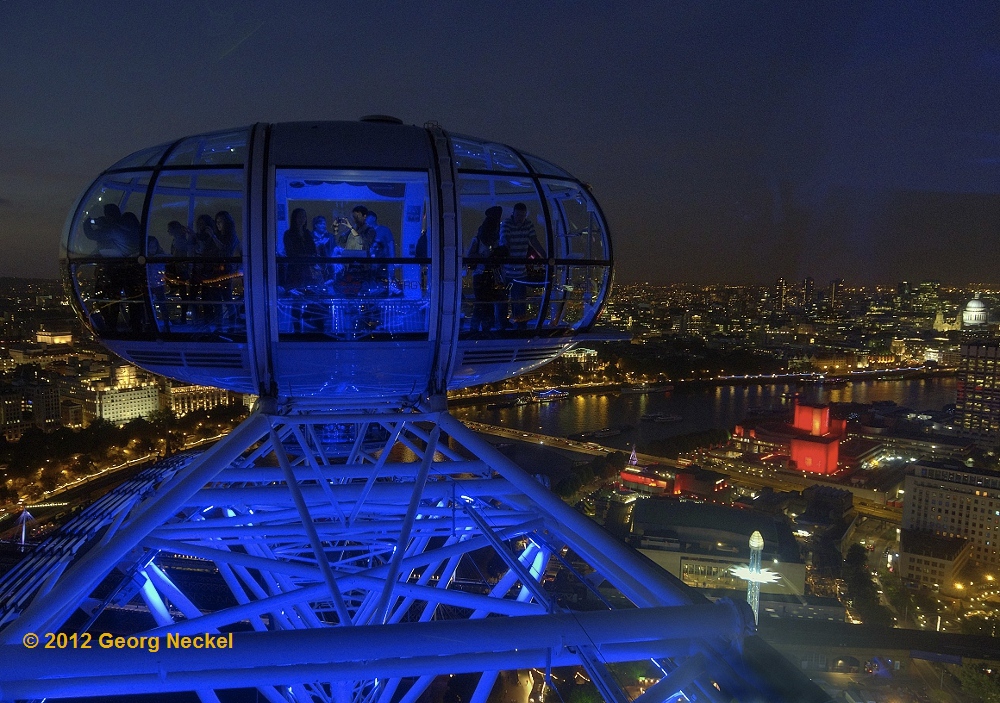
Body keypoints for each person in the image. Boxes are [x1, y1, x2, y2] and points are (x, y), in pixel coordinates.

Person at [498, 202, 546, 329]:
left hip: (519, 272)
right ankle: (503, 326)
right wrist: (507, 252)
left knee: (519, 302)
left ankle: (519, 327)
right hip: (507, 272)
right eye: (519, 215)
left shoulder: (528, 224)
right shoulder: (506, 224)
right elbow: (504, 240)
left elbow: (534, 240)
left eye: (523, 216)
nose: (520, 218)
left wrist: (544, 256)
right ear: (513, 213)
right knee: (504, 301)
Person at [466, 206, 504, 332]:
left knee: (483, 303)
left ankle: (476, 329)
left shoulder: (485, 239)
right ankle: (481, 329)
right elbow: (470, 256)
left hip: (483, 275)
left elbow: (470, 256)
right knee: (484, 303)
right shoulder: (489, 240)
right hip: (485, 275)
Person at [282, 208, 318, 331]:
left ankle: (308, 326)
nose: (302, 219)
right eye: (299, 216)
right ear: (294, 218)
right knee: (296, 301)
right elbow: (291, 253)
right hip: (295, 272)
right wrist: (306, 256)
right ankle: (297, 330)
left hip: (308, 272)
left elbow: (314, 251)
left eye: (304, 216)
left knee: (311, 299)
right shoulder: (289, 234)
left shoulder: (307, 233)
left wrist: (309, 257)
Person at [366, 210, 397, 293]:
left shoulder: (384, 230)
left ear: (373, 218)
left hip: (384, 263)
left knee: (383, 285)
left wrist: (392, 262)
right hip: (370, 264)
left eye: (366, 217)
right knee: (372, 286)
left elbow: (391, 246)